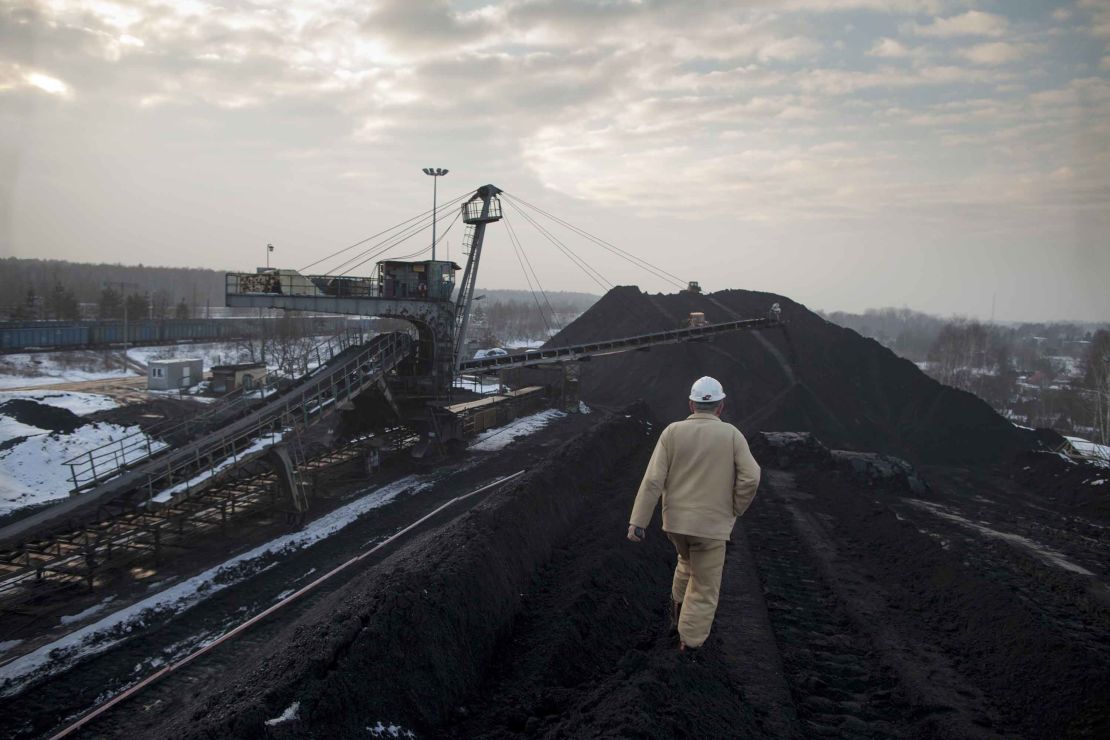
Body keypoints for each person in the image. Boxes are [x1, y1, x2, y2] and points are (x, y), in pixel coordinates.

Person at [627, 376, 761, 653]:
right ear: (720, 407)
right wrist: (735, 508)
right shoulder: (732, 435)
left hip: (676, 525)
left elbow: (653, 480)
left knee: (686, 562)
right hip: (710, 528)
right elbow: (751, 478)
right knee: (704, 588)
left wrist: (638, 522)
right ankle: (688, 647)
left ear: (691, 405)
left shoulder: (671, 433)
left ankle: (676, 613)